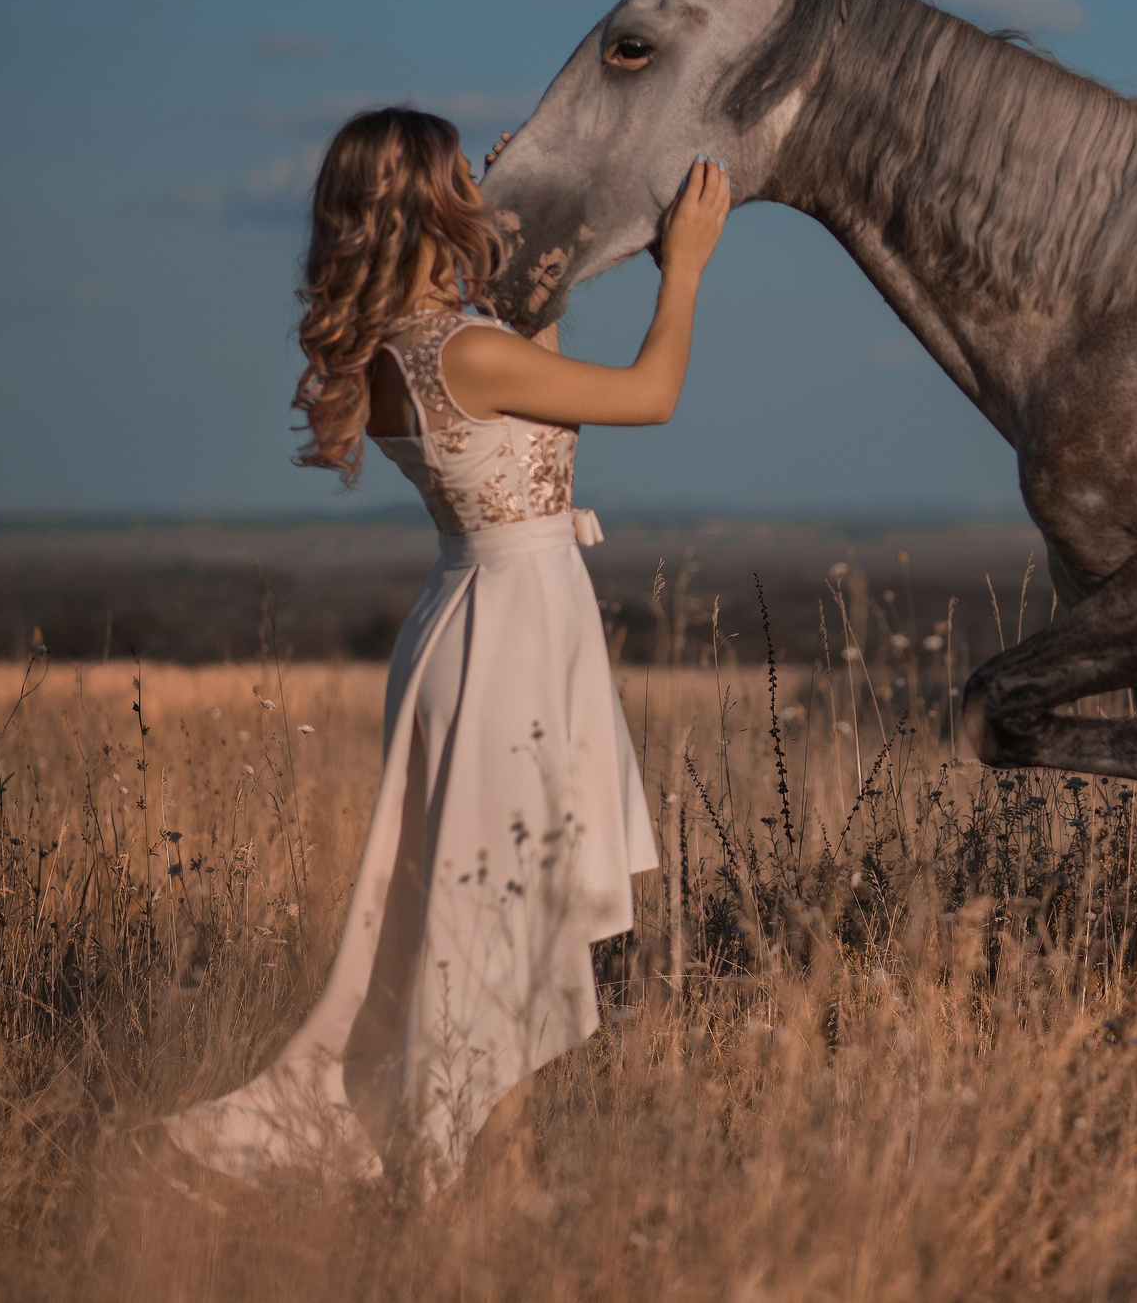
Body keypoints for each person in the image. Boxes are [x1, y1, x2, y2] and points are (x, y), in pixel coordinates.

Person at [156, 107, 729, 1194]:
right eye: (464, 175)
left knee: (481, 922)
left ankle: (479, 1180)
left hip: (476, 618)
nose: (480, 187)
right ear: (429, 202)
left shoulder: (401, 352)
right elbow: (650, 396)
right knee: (493, 927)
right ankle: (457, 1183)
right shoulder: (464, 349)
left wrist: (539, 245)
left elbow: (537, 380)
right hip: (509, 633)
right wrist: (686, 267)